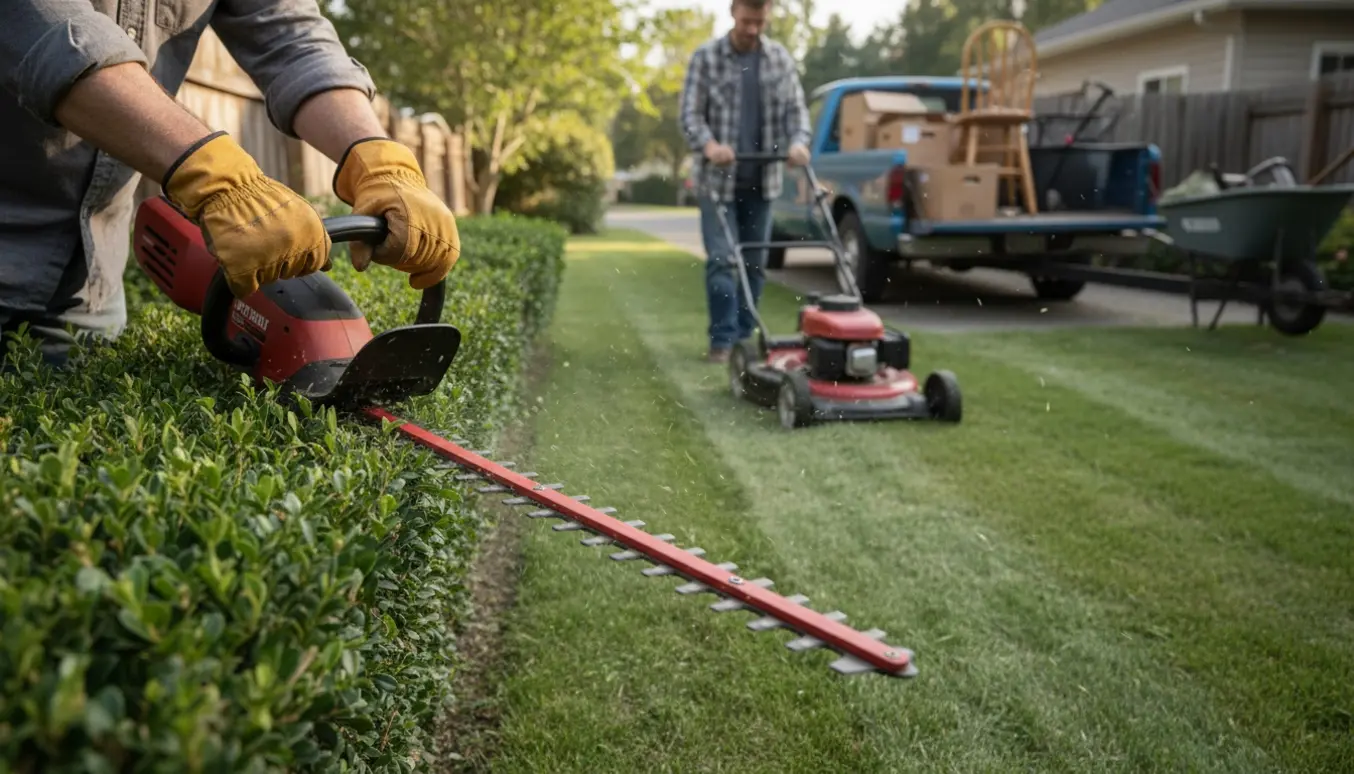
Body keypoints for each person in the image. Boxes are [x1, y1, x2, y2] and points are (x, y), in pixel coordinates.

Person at [1, 1, 461, 369]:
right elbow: (52, 31)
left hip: (89, 284)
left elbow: (292, 37)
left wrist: (376, 156)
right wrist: (212, 172)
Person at [679, 0, 812, 364]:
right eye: (747, 20)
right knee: (722, 260)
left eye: (760, 21)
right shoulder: (706, 58)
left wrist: (799, 142)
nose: (753, 28)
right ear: (733, 11)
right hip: (716, 182)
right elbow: (689, 114)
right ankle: (722, 341)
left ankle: (744, 339)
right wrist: (709, 145)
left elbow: (796, 111)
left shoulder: (780, 59)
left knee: (755, 264)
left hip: (763, 179)